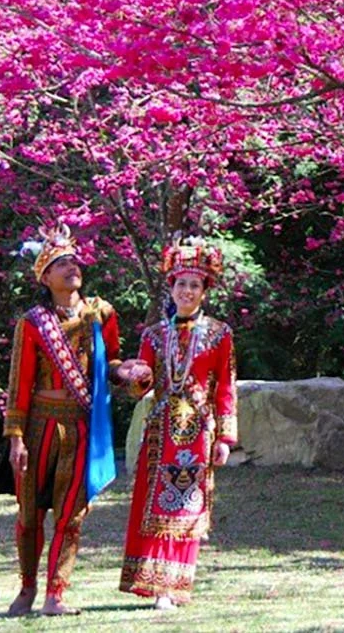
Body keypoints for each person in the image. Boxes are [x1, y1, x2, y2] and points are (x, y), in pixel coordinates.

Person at [4, 223, 132, 617]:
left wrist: (126, 372)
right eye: (60, 263)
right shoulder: (33, 323)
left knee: (72, 513)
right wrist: (16, 437)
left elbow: (109, 361)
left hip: (80, 426)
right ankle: (27, 588)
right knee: (30, 514)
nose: (71, 267)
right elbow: (19, 382)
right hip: (40, 424)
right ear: (45, 276)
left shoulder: (101, 314)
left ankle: (56, 594)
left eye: (74, 260)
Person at [120, 236, 237, 610]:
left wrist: (225, 437)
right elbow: (142, 387)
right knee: (155, 505)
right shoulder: (154, 335)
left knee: (185, 505)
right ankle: (156, 585)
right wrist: (132, 375)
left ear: (205, 291)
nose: (187, 290)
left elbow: (226, 387)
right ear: (170, 288)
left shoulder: (221, 334)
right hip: (160, 429)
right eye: (181, 283)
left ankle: (175, 586)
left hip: (197, 432)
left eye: (195, 285)